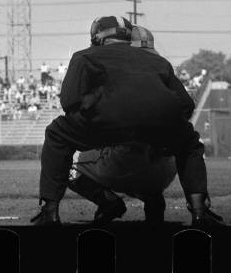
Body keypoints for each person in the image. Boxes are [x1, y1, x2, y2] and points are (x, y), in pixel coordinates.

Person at [33, 16, 223, 228]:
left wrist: (94, 114)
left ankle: (49, 212)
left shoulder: (84, 56)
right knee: (189, 143)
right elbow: (186, 104)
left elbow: (69, 101)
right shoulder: (158, 61)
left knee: (56, 134)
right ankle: (200, 210)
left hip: (109, 124)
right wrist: (163, 131)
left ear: (97, 36)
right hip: (159, 136)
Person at [68, 26, 182, 224]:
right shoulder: (164, 70)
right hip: (165, 171)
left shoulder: (113, 74)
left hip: (124, 163)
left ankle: (107, 202)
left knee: (64, 159)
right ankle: (154, 201)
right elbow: (185, 110)